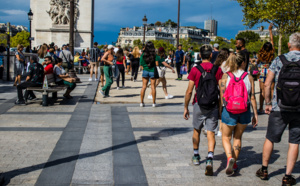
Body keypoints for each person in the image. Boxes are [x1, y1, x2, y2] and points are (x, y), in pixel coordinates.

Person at [256, 32, 300, 185]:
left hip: (279, 106)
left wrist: (268, 103)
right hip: (298, 108)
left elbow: (267, 84)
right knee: (294, 141)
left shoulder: (279, 60)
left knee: (270, 138)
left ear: (289, 44)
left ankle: (264, 169)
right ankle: (287, 177)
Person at [183, 44, 223, 176]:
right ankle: (210, 158)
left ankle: (196, 156)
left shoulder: (195, 70)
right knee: (211, 133)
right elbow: (221, 91)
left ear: (200, 55)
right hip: (212, 105)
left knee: (197, 130)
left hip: (198, 104)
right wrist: (220, 107)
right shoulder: (217, 69)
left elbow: (189, 91)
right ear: (211, 55)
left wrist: (186, 107)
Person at [219, 52, 258, 176]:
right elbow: (252, 97)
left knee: (226, 137)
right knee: (237, 137)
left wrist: (221, 111)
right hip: (244, 110)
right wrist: (255, 114)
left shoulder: (225, 76)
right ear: (242, 63)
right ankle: (234, 162)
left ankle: (230, 158)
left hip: (229, 110)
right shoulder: (249, 76)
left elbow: (222, 97)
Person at [257, 24, 275, 114]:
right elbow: (272, 41)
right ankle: (270, 105)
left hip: (262, 71)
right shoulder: (272, 53)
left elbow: (257, 61)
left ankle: (261, 107)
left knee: (262, 90)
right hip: (270, 70)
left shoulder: (261, 54)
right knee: (271, 89)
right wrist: (270, 31)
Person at [213, 48, 230, 137]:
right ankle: (221, 128)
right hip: (224, 88)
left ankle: (215, 127)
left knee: (217, 107)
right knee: (223, 107)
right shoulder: (227, 65)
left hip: (216, 88)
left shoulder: (216, 64)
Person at [140, 41, 158, 107]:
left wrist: (145, 67)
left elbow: (141, 64)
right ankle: (153, 103)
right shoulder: (154, 55)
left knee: (143, 87)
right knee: (153, 87)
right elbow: (156, 63)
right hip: (152, 70)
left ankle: (141, 102)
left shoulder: (143, 54)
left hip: (145, 70)